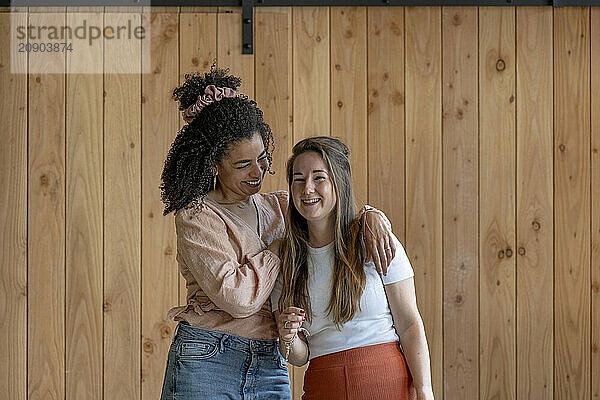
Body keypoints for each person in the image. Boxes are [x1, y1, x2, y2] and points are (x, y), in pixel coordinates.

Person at [159, 66, 396, 400]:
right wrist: (278, 249)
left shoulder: (279, 205)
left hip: (270, 362)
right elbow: (238, 299)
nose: (259, 173)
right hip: (207, 359)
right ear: (213, 164)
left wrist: (371, 217)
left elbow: (331, 209)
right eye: (243, 165)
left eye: (262, 159)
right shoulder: (197, 216)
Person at [271, 137, 434, 400]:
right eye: (298, 179)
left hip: (387, 382)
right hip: (322, 386)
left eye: (319, 178)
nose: (307, 188)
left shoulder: (374, 239)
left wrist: (425, 391)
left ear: (339, 183)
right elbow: (300, 357)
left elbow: (409, 324)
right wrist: (287, 337)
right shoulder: (286, 259)